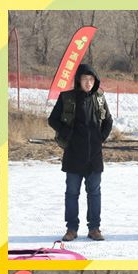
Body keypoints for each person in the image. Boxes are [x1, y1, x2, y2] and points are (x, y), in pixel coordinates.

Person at [48, 63, 113, 242]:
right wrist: (67, 134)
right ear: (78, 80)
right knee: (71, 193)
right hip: (73, 154)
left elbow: (108, 121)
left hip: (94, 156)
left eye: (91, 79)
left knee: (94, 193)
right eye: (85, 79)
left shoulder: (100, 98)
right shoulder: (66, 97)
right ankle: (71, 229)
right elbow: (52, 120)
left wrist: (101, 138)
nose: (88, 83)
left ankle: (94, 228)